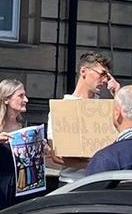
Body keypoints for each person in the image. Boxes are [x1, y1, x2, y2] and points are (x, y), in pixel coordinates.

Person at [47, 51, 119, 182]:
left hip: (101, 182)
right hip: (72, 182)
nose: (104, 80)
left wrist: (118, 94)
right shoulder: (62, 108)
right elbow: (57, 156)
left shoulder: (104, 109)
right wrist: (95, 164)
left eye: (107, 77)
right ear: (83, 71)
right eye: (102, 74)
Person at [0, 79, 30, 214]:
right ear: (6, 99)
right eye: (21, 96)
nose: (26, 100)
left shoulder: (25, 127)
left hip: (23, 188)